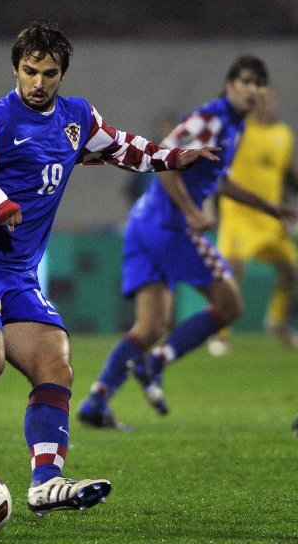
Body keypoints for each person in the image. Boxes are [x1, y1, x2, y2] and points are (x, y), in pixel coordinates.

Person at [0, 19, 219, 519]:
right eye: (30, 71)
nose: (38, 82)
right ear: (16, 68)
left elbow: (121, 148)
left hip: (18, 273)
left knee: (55, 362)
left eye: (49, 73)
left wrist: (176, 157)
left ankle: (46, 483)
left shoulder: (77, 119)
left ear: (62, 74)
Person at [77, 56, 297, 428]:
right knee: (230, 305)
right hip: (169, 227)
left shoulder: (235, 127)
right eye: (245, 81)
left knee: (149, 326)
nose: (253, 89)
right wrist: (192, 213)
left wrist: (268, 206)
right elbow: (165, 157)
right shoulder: (212, 118)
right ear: (229, 86)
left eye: (260, 83)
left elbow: (221, 181)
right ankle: (157, 362)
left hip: (144, 225)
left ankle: (96, 402)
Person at [207, 86, 298, 355]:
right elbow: (217, 169)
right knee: (233, 272)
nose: (265, 105)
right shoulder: (238, 131)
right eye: (259, 100)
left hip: (270, 218)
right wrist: (211, 208)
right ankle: (221, 334)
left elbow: (287, 175)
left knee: (291, 272)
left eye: (269, 99)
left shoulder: (283, 135)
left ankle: (276, 321)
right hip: (239, 213)